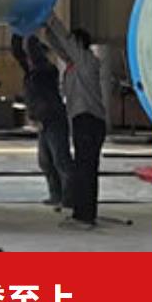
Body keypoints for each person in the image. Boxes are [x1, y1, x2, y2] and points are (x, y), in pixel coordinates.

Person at [43, 13, 107, 229]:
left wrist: (50, 17)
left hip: (88, 121)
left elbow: (66, 40)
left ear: (79, 45)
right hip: (85, 122)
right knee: (85, 169)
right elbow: (60, 47)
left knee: (85, 170)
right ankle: (84, 213)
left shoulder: (85, 60)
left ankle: (85, 217)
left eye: (73, 44)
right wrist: (46, 31)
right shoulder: (75, 64)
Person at [11, 33, 73, 211]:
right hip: (43, 122)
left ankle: (70, 198)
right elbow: (18, 54)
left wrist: (29, 36)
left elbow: (32, 56)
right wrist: (17, 33)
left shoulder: (47, 71)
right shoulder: (31, 72)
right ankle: (56, 195)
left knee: (61, 160)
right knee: (45, 161)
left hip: (54, 120)